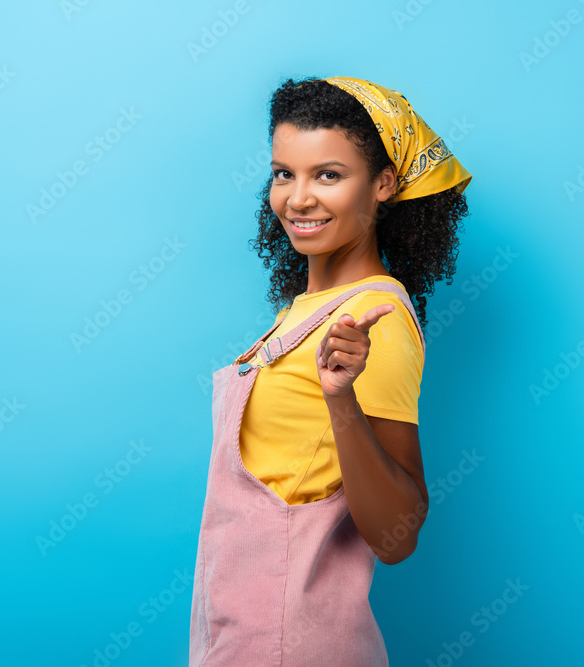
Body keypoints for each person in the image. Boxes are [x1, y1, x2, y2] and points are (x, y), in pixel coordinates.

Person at [189, 75, 473, 666]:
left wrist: (340, 399)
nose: (297, 198)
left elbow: (397, 535)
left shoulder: (376, 317)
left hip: (292, 644)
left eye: (328, 175)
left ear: (383, 185)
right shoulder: (301, 312)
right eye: (283, 173)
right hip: (239, 633)